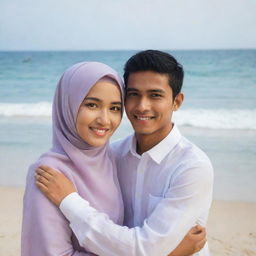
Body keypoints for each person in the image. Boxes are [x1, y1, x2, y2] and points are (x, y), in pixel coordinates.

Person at [36, 50, 213, 256]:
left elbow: (144, 248)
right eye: (133, 94)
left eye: (155, 95)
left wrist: (69, 201)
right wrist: (172, 252)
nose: (142, 106)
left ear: (177, 101)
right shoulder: (112, 155)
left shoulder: (192, 167)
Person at [21, 62, 125, 255]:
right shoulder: (49, 172)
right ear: (68, 105)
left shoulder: (113, 160)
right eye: (92, 105)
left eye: (115, 108)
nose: (105, 119)